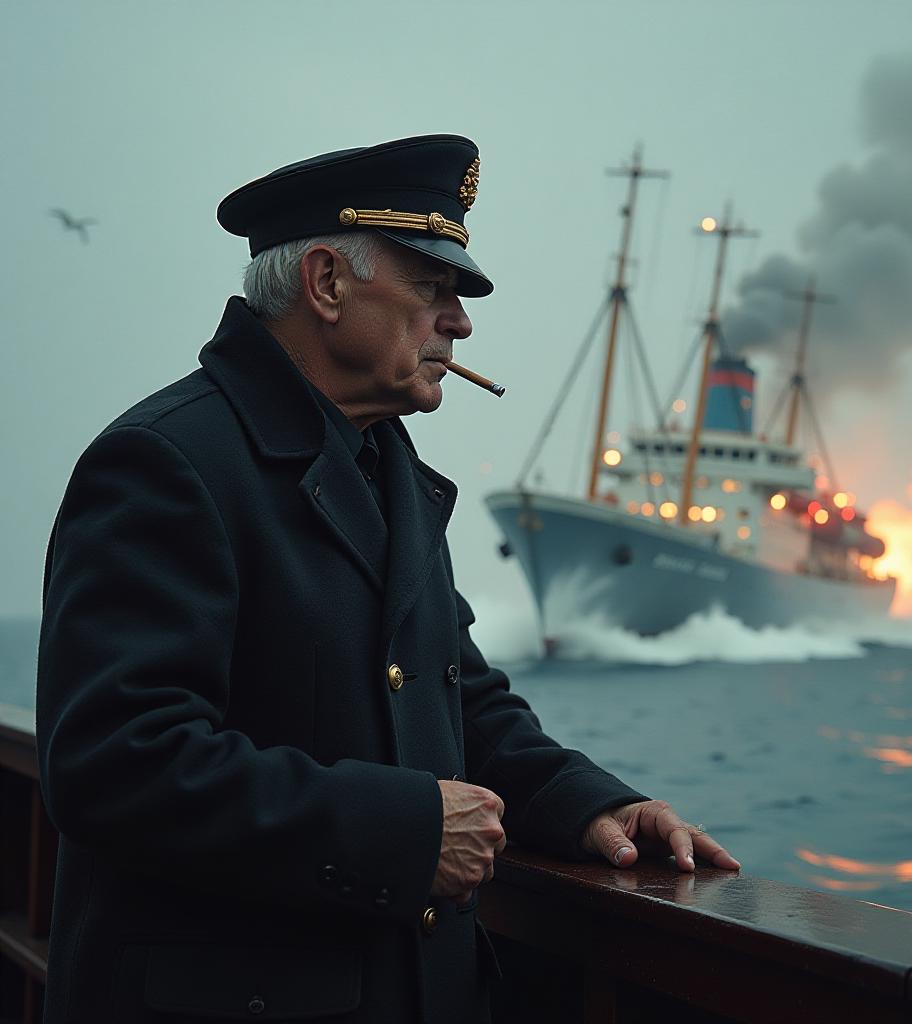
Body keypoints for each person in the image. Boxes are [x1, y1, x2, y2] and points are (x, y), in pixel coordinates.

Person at [35, 134, 740, 1024]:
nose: (460, 321)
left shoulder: (387, 469)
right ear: (327, 283)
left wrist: (590, 804)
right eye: (432, 287)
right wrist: (405, 833)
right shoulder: (166, 462)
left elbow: (460, 698)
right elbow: (114, 766)